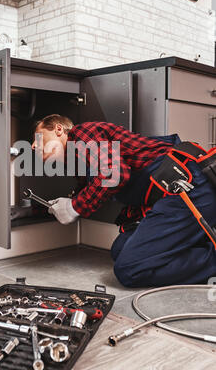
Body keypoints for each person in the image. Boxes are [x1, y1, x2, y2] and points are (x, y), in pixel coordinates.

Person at [32, 114, 216, 288]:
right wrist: (39, 209)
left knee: (130, 269)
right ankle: (199, 243)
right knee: (120, 250)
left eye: (38, 137)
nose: (33, 146)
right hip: (168, 197)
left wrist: (73, 207)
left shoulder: (81, 133)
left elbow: (115, 173)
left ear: (58, 129)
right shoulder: (82, 163)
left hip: (187, 186)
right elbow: (86, 194)